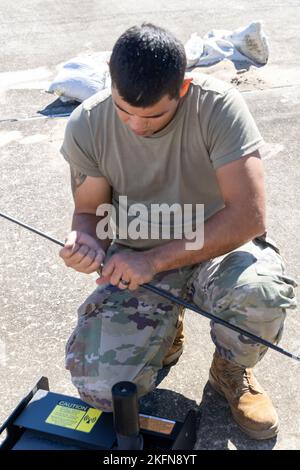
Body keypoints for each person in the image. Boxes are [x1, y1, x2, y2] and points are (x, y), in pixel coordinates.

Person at [59, 23, 297, 440]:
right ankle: (166, 332)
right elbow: (89, 211)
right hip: (138, 258)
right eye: (123, 109)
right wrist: (87, 242)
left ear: (183, 88)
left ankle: (230, 370)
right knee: (102, 391)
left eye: (153, 115)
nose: (135, 125)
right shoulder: (88, 123)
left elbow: (247, 216)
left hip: (216, 249)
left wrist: (153, 260)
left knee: (257, 293)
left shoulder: (218, 106)